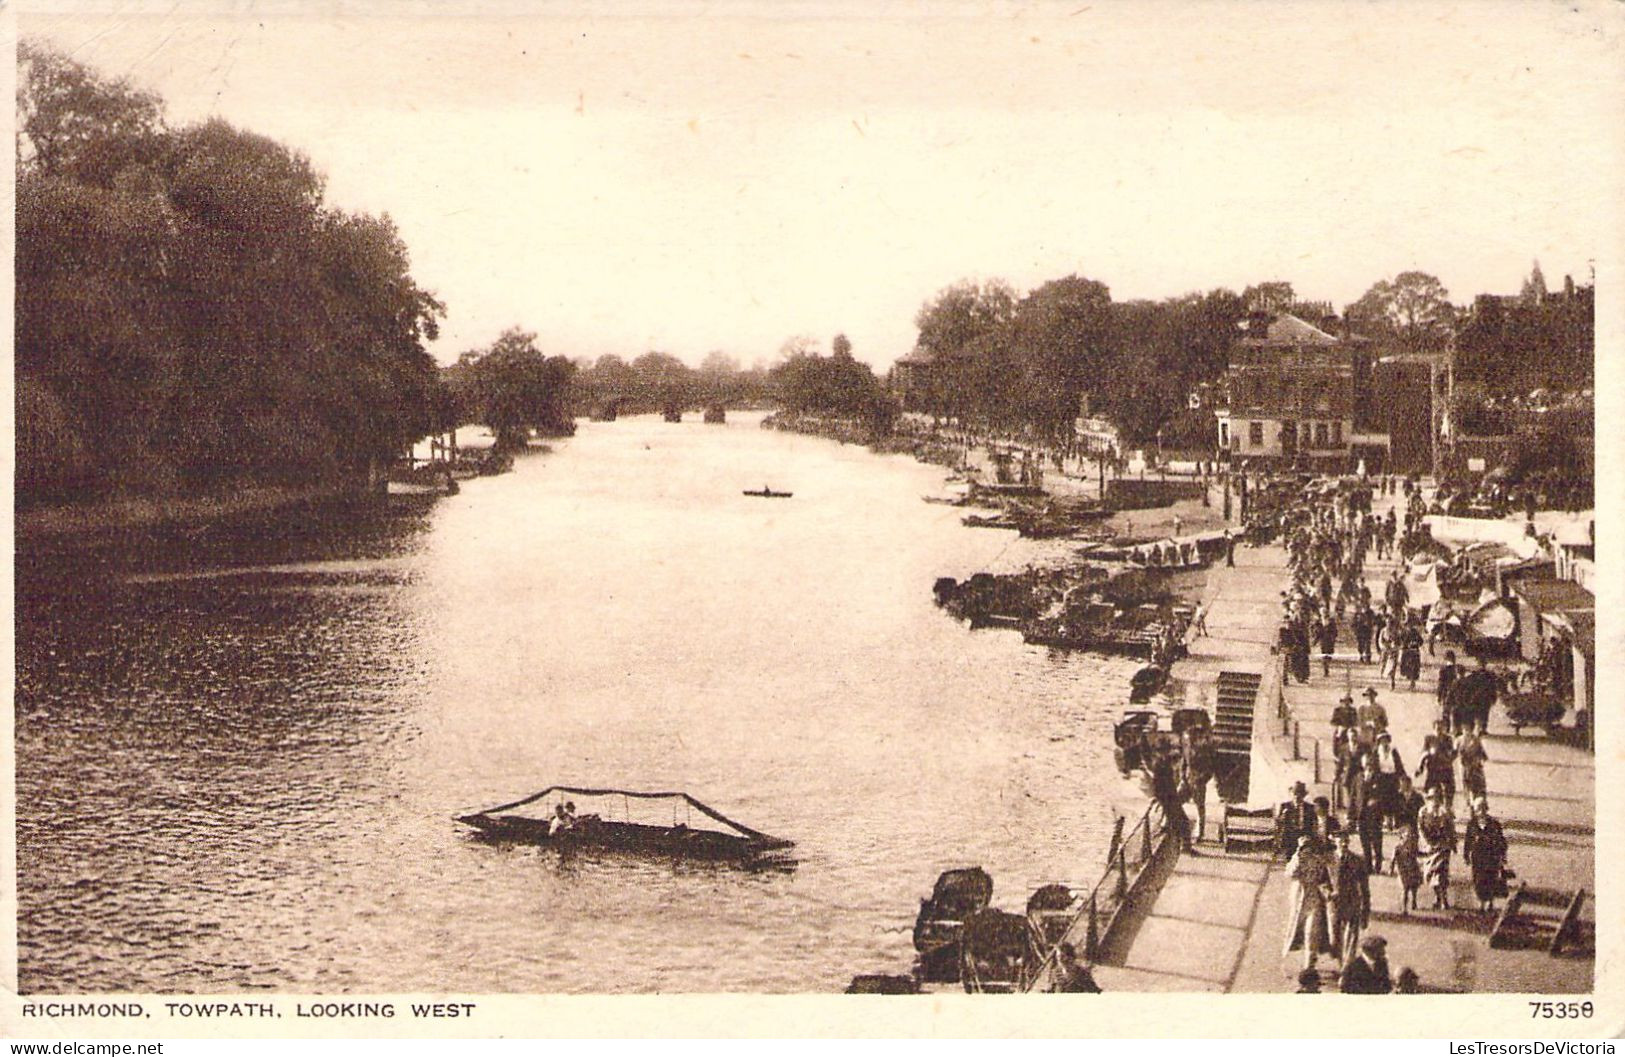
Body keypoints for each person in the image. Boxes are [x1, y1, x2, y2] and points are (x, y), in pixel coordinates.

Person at [1284, 835, 1335, 972]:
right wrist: (1297, 858)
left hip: (1314, 899)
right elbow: (1290, 874)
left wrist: (1327, 893)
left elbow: (1324, 880)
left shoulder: (1318, 862)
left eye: (1308, 848)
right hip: (1299, 899)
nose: (1306, 851)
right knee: (1297, 930)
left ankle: (1309, 964)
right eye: (1303, 848)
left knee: (1311, 932)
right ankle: (1308, 959)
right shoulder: (1297, 860)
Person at [1330, 831, 1371, 964]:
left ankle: (1347, 966)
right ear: (1334, 841)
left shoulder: (1358, 861)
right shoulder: (1328, 860)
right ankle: (1341, 961)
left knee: (1352, 936)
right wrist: (1328, 894)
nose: (1344, 843)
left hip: (1352, 902)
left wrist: (1365, 910)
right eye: (1340, 840)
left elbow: (1365, 887)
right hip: (1335, 904)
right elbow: (1322, 881)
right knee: (1335, 938)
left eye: (1346, 841)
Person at [1463, 797, 1509, 913]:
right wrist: (1466, 855)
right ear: (1475, 810)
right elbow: (1467, 841)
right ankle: (1482, 903)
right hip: (1477, 858)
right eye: (1478, 808)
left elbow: (1501, 841)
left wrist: (1502, 856)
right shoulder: (1472, 824)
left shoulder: (1494, 824)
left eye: (1483, 808)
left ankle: (1491, 903)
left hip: (1491, 857)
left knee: (1491, 880)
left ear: (1486, 808)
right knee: (1478, 881)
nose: (1481, 811)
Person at [1417, 785, 1457, 910]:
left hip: (1442, 846)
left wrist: (1452, 843)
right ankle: (1438, 897)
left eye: (1437, 798)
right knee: (1430, 874)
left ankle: (1444, 899)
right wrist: (1427, 842)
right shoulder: (1423, 812)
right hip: (1428, 847)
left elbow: (1451, 829)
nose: (1434, 800)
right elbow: (1420, 828)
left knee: (1441, 874)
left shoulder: (1445, 812)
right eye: (1431, 798)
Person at [1181, 729, 1218, 844]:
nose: (1187, 742)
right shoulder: (1187, 749)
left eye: (1188, 740)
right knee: (1175, 801)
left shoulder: (1203, 753)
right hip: (1187, 781)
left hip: (1198, 783)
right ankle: (1172, 826)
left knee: (1199, 808)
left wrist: (1201, 781)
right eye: (1186, 740)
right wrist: (1182, 777)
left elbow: (1210, 770)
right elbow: (1184, 763)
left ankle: (1199, 833)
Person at [1355, 753, 1386, 873]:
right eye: (1365, 762)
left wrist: (1377, 801)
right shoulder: (1358, 777)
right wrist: (1351, 815)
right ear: (1362, 764)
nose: (1368, 764)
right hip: (1361, 815)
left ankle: (1378, 863)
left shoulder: (1379, 777)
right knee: (1364, 841)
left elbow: (1385, 795)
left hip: (1375, 815)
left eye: (1370, 762)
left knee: (1376, 841)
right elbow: (1354, 796)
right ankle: (1368, 866)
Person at [1391, 821, 1423, 915]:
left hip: (1413, 868)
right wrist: (1391, 869)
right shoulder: (1398, 847)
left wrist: (1427, 854)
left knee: (1414, 887)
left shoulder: (1413, 846)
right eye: (1407, 835)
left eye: (1411, 836)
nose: (1409, 838)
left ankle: (1414, 900)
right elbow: (1393, 859)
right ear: (1402, 836)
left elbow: (1418, 854)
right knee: (1405, 889)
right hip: (1403, 870)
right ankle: (1404, 908)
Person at [1277, 782, 1314, 860]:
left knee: (1304, 860)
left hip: (1304, 836)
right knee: (1290, 861)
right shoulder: (1285, 806)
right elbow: (1279, 822)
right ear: (1291, 793)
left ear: (1304, 795)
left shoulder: (1310, 808)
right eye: (1295, 793)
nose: (1297, 796)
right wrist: (1283, 816)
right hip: (1290, 836)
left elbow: (1313, 824)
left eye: (1300, 794)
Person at [1457, 727, 1489, 802]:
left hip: (1476, 767)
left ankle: (1481, 805)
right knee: (1466, 785)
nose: (1467, 732)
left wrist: (1479, 761)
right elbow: (1455, 753)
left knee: (1479, 785)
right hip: (1465, 767)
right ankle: (1469, 804)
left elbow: (1483, 754)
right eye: (1465, 730)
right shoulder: (1459, 740)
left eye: (1469, 730)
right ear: (1462, 730)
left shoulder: (1476, 740)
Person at [1399, 618, 1424, 691]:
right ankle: (1411, 682)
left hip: (1414, 652)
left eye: (1410, 625)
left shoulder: (1415, 632)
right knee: (1407, 668)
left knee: (1413, 668)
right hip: (1406, 652)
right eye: (1408, 625)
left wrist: (1416, 643)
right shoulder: (1404, 632)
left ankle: (1412, 683)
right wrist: (1404, 645)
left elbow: (1421, 641)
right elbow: (1400, 640)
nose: (1409, 626)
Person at [1437, 650, 1461, 723]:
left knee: (1446, 711)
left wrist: (1439, 696)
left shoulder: (1443, 669)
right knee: (1456, 711)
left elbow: (1441, 683)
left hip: (1446, 692)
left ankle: (1446, 727)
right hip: (1457, 692)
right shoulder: (1457, 668)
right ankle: (1457, 728)